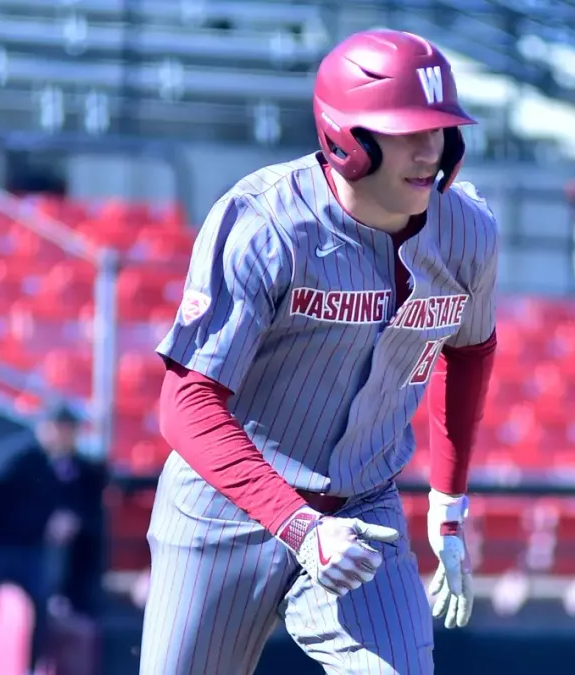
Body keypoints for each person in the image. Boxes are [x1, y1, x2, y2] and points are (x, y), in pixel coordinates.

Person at [140, 28, 498, 674]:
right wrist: (300, 527)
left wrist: (447, 504)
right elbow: (185, 402)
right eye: (405, 130)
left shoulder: (467, 231)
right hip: (226, 508)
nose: (430, 148)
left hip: (363, 507)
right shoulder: (266, 223)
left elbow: (471, 351)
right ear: (349, 139)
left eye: (440, 127)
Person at [0, 402, 105, 675]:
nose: (70, 436)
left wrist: (68, 517)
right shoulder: (15, 455)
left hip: (29, 548)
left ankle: (31, 669)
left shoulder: (65, 463)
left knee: (40, 607)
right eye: (65, 429)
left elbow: (78, 502)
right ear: (49, 428)